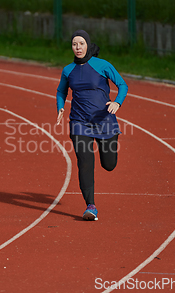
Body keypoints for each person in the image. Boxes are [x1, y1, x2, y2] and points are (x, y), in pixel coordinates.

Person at [56, 30, 128, 221]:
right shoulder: (68, 70)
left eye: (81, 43)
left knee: (109, 164)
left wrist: (117, 102)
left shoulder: (102, 65)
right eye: (74, 44)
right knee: (85, 163)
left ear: (87, 44)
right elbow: (61, 91)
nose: (77, 47)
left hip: (105, 121)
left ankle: (109, 156)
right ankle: (91, 206)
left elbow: (122, 85)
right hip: (79, 122)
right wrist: (60, 107)